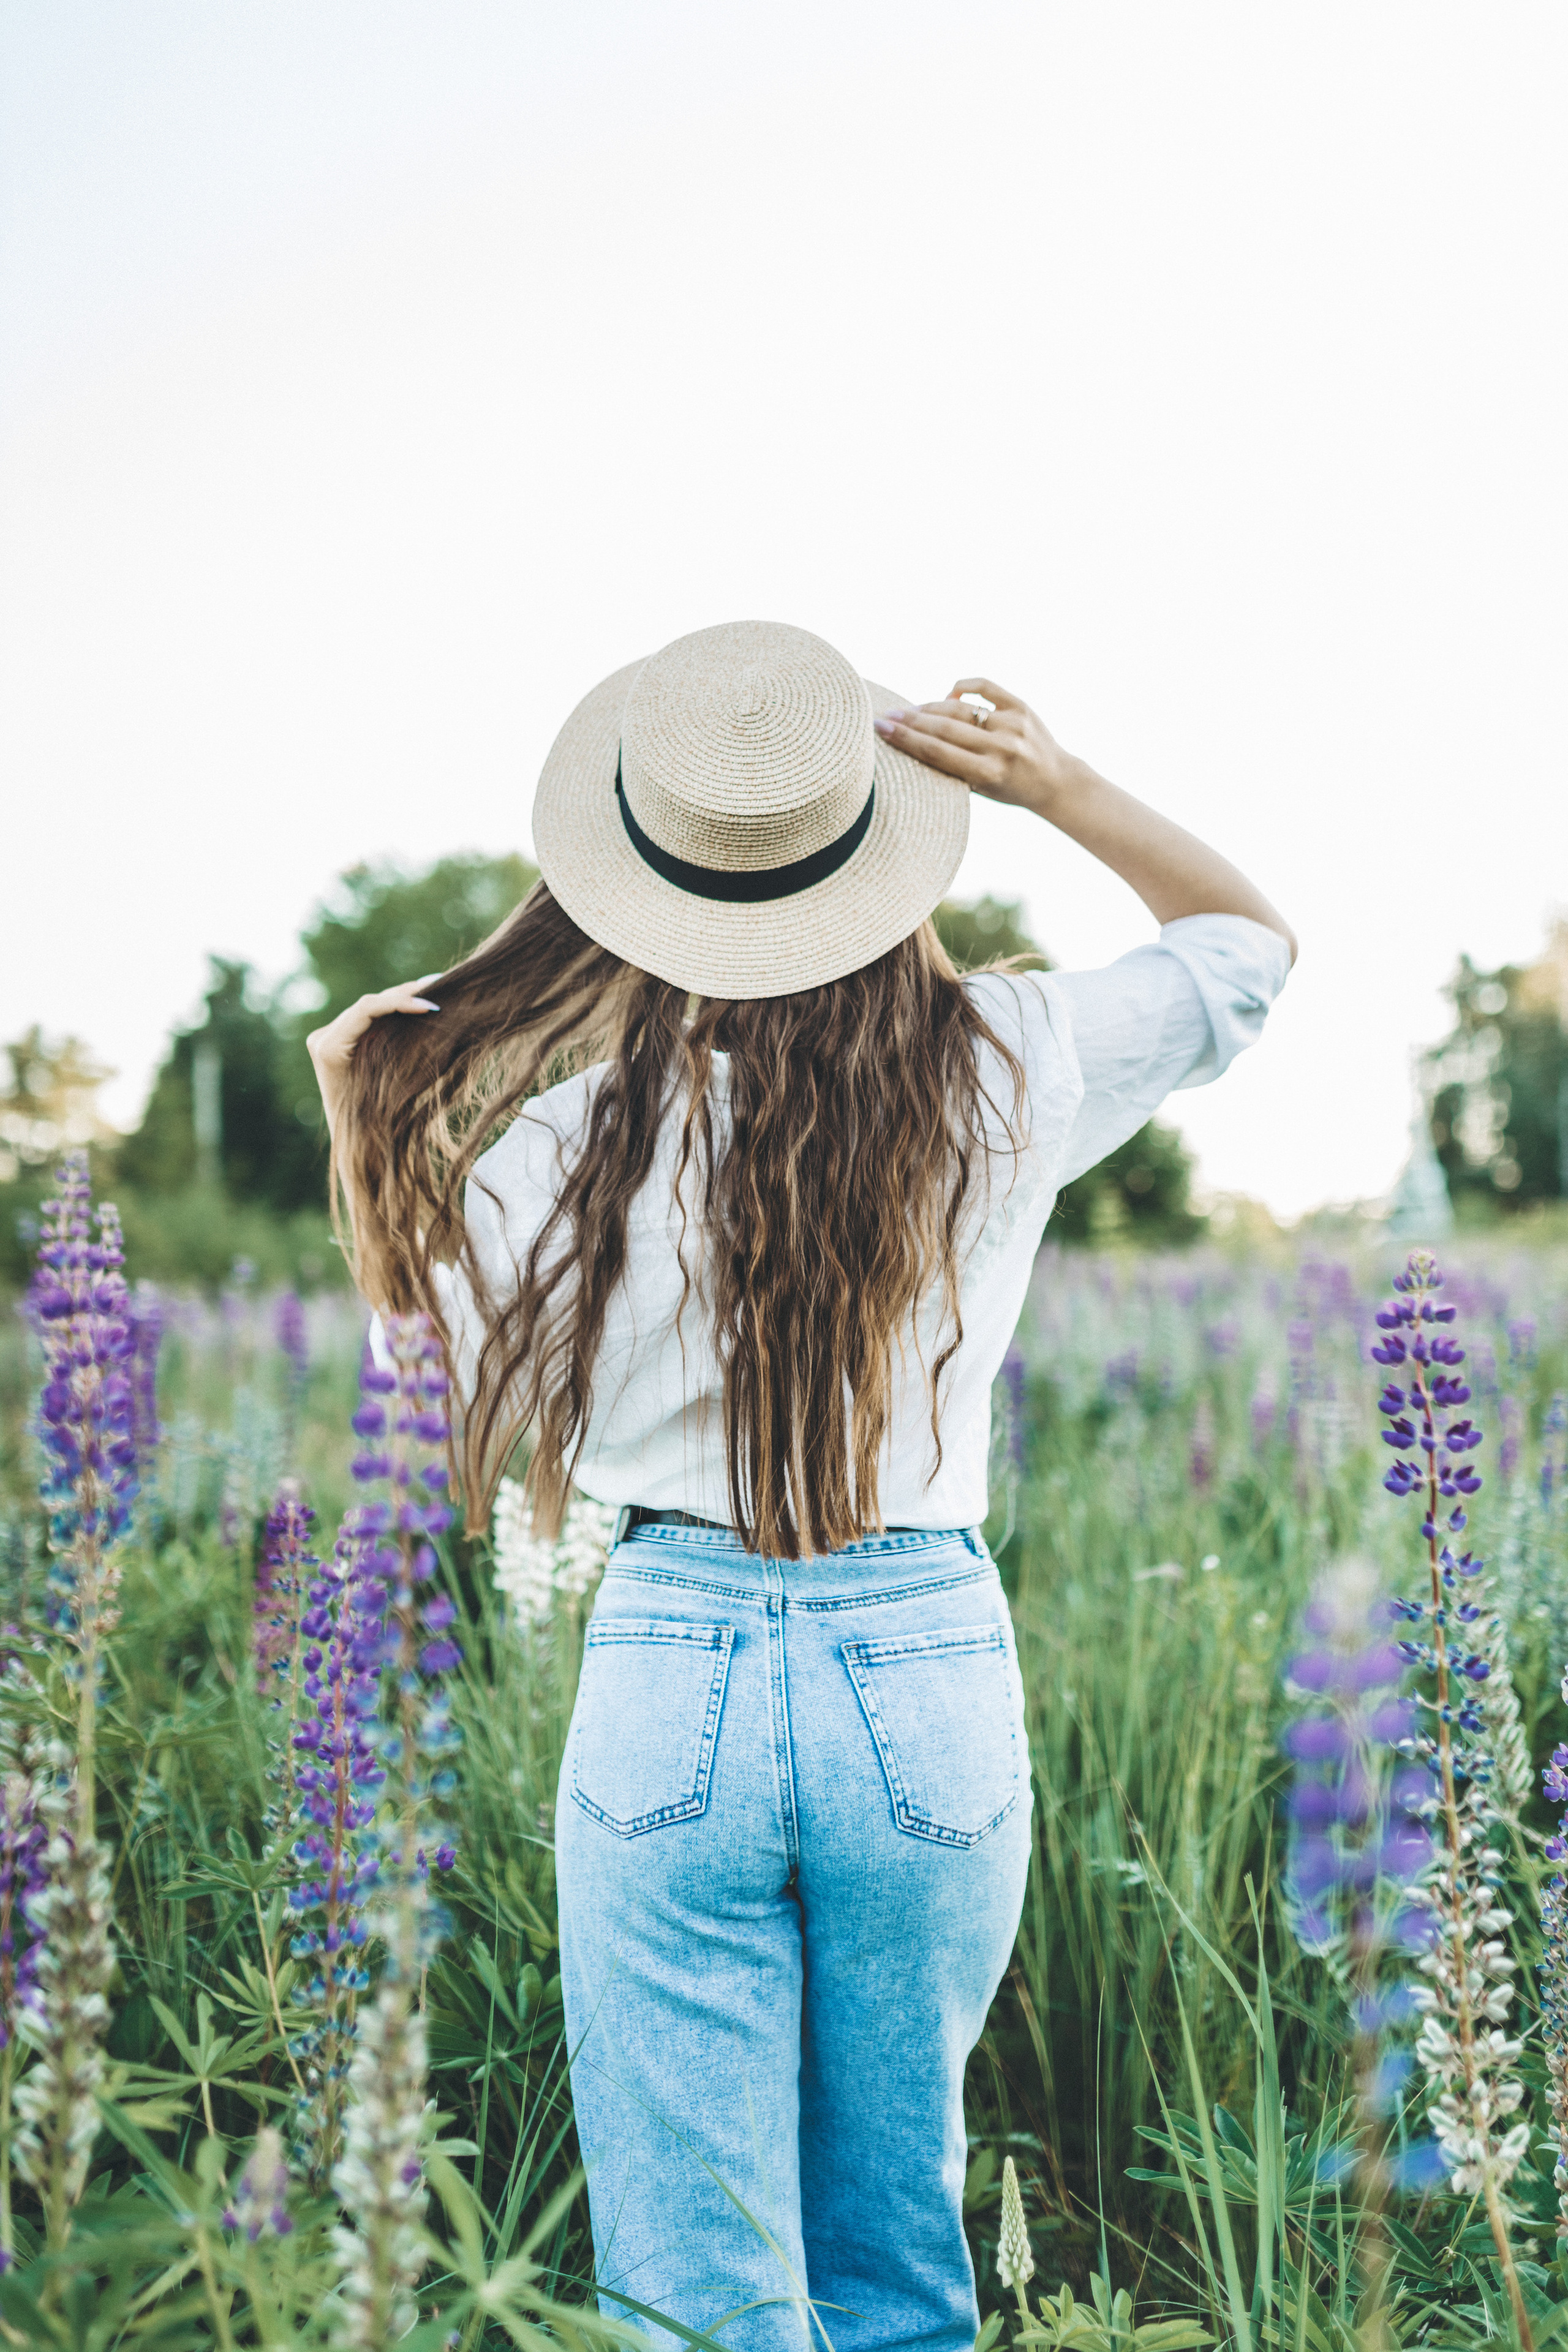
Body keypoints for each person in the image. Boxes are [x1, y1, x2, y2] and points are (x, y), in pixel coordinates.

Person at [307, 619, 1294, 2352]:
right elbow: (1244, 949)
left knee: (698, 2293)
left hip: (667, 1648)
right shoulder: (1007, 1065)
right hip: (923, 1659)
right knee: (900, 2250)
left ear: (645, 894)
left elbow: (421, 1344)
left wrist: (349, 1105)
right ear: (876, 863)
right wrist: (1056, 783)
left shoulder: (569, 1139)